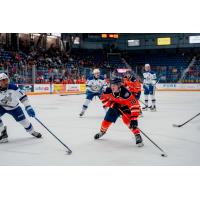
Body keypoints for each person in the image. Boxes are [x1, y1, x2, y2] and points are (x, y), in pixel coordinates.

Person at [94, 77, 143, 147]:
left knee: (127, 120)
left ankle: (137, 134)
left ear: (119, 85)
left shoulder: (126, 93)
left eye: (114, 85)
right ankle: (102, 132)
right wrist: (112, 104)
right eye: (111, 85)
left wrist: (134, 119)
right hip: (115, 106)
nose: (112, 87)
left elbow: (134, 105)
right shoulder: (107, 91)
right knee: (106, 120)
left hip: (126, 107)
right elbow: (103, 99)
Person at [0, 73, 42, 143]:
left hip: (15, 108)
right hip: (2, 107)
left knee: (24, 122)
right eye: (3, 80)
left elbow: (23, 97)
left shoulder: (13, 87)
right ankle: (3, 133)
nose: (6, 82)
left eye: (6, 80)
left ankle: (32, 131)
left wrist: (28, 107)